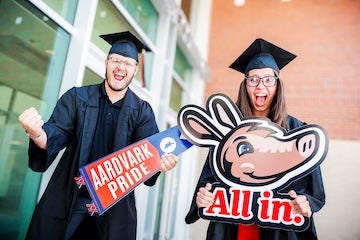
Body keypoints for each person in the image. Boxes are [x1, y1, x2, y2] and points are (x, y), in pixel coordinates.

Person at [18, 31, 179, 240]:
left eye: (128, 63)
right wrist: (36, 132)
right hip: (70, 196)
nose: (121, 67)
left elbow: (149, 157)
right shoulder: (77, 98)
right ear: (106, 63)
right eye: (116, 60)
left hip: (114, 206)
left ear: (135, 70)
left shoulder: (142, 111)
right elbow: (55, 134)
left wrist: (160, 164)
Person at [185, 38, 325, 240]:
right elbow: (209, 181)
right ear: (245, 84)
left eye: (268, 79)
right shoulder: (230, 132)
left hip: (279, 230)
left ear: (278, 84)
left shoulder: (297, 131)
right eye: (253, 79)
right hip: (232, 227)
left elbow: (315, 192)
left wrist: (307, 203)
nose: (260, 85)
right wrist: (204, 196)